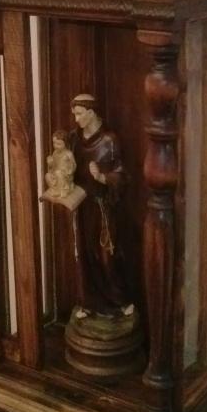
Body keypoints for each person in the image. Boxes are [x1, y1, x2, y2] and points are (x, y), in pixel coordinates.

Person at [68, 94, 134, 319]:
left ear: (91, 112)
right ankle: (89, 303)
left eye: (79, 114)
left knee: (107, 255)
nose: (76, 119)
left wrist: (103, 178)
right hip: (82, 205)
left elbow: (123, 175)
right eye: (74, 114)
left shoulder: (109, 140)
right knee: (85, 254)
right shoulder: (75, 139)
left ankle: (120, 301)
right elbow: (67, 165)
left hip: (103, 208)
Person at [44, 130, 76, 199]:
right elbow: (53, 167)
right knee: (47, 176)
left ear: (65, 143)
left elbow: (73, 166)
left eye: (59, 144)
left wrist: (69, 166)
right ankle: (56, 189)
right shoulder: (55, 153)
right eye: (54, 143)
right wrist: (50, 164)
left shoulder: (69, 154)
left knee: (59, 173)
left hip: (66, 177)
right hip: (56, 175)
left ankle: (65, 189)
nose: (55, 146)